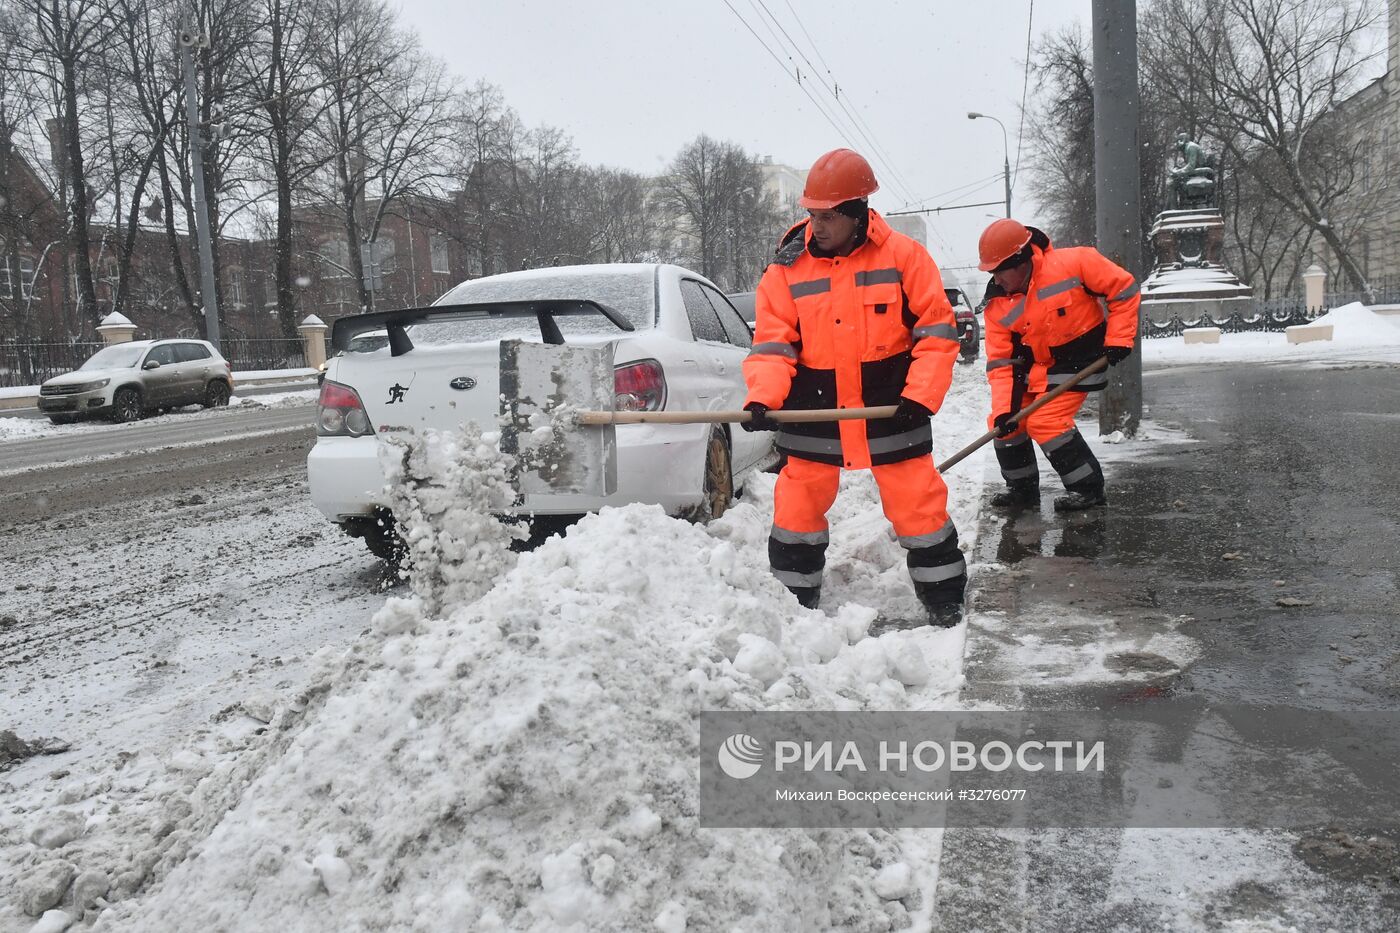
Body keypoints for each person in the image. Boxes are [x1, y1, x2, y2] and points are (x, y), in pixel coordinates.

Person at [742, 148, 966, 626]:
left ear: (859, 212)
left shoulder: (905, 257)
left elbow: (936, 332)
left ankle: (944, 596)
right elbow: (772, 344)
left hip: (891, 408)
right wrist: (764, 396)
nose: (816, 227)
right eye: (811, 215)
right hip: (814, 411)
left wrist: (920, 396)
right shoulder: (786, 269)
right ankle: (794, 602)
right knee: (797, 508)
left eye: (828, 217)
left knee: (918, 504)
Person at [977, 218, 1140, 512]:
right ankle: (1021, 490)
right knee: (1004, 425)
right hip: (1037, 368)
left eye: (999, 271)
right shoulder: (997, 305)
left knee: (1046, 421)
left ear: (1020, 260)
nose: (995, 280)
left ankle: (1088, 490)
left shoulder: (1075, 263)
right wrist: (1005, 411)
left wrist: (1119, 338)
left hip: (1080, 360)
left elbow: (1124, 289)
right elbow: (1001, 364)